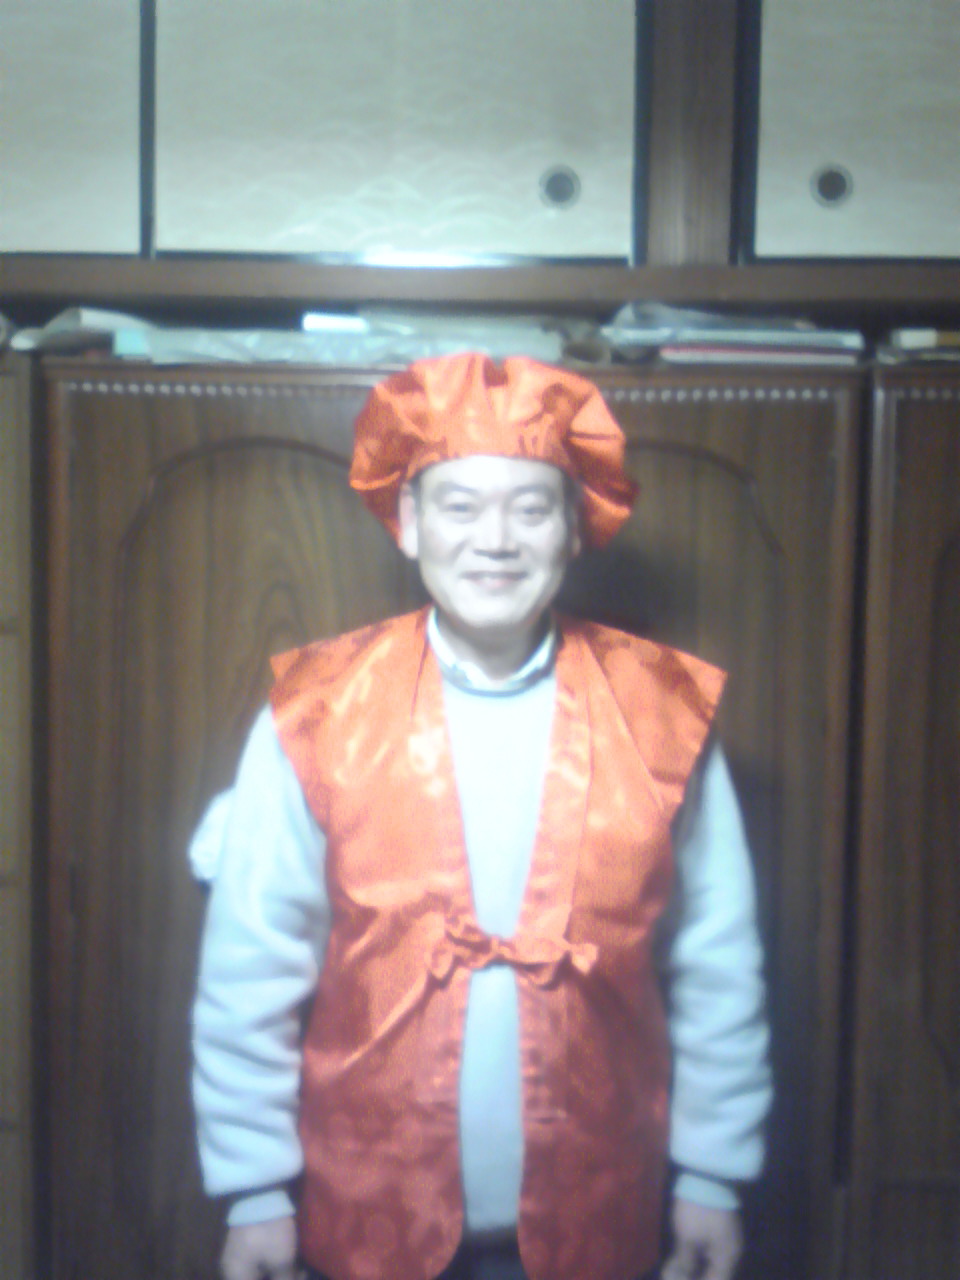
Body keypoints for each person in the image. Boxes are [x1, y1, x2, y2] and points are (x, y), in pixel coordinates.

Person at [191, 353, 771, 1280]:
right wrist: (254, 1189)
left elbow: (717, 962)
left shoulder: (661, 714)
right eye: (460, 506)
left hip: (601, 1219)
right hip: (365, 1223)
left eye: (531, 508)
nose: (495, 540)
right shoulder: (317, 713)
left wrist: (715, 1173)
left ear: (574, 528)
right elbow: (248, 968)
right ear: (410, 521)